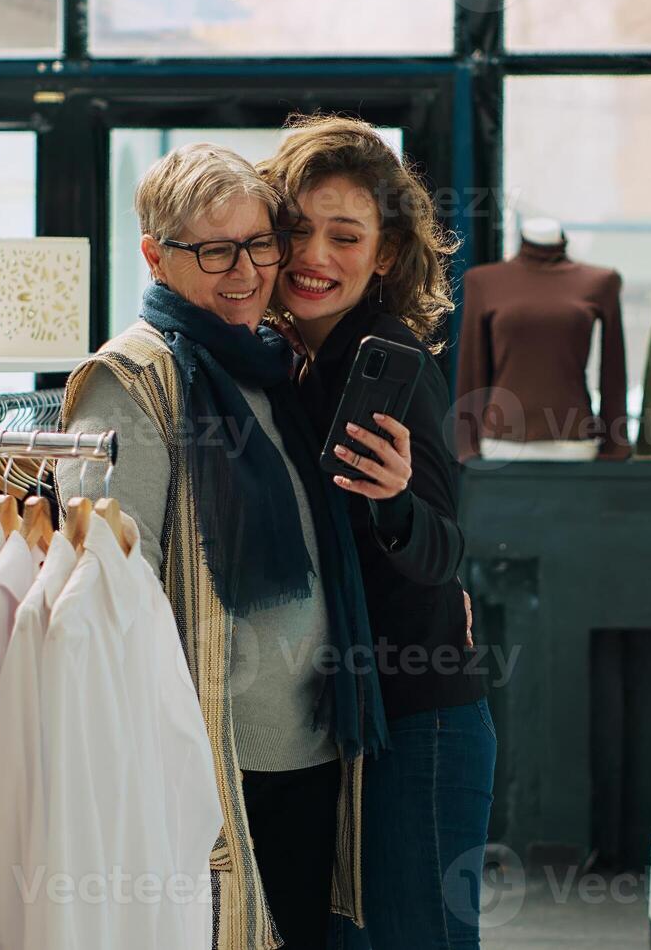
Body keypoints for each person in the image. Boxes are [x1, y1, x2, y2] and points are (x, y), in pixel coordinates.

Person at [58, 142, 390, 950]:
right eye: (214, 250)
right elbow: (110, 591)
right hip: (209, 762)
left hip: (306, 747)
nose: (244, 271)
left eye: (258, 244)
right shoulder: (131, 379)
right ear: (154, 255)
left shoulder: (269, 367)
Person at [260, 115, 497, 950]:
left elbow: (443, 552)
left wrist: (394, 501)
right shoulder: (297, 360)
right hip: (359, 714)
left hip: (420, 721)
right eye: (294, 230)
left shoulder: (388, 358)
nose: (313, 256)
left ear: (386, 255)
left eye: (345, 235)